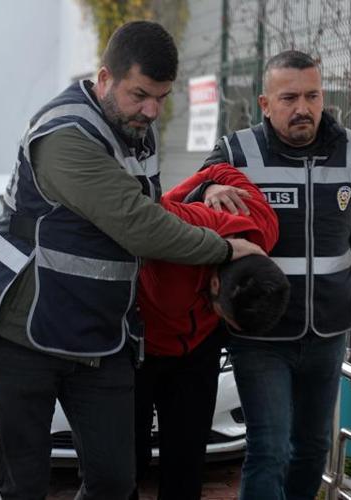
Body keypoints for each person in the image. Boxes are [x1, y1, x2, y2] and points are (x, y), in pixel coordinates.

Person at [0, 21, 264, 500]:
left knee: (115, 481)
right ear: (104, 79)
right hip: (25, 332)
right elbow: (137, 224)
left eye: (161, 97)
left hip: (100, 334)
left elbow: (153, 206)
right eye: (140, 94)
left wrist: (205, 189)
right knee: (24, 486)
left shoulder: (136, 128)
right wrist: (225, 247)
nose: (151, 110)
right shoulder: (65, 134)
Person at [200, 50, 351, 499]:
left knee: (313, 447)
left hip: (328, 331)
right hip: (260, 335)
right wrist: (210, 185)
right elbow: (193, 199)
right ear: (265, 104)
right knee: (270, 448)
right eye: (289, 98)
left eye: (312, 96)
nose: (303, 108)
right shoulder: (237, 151)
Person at [132, 162, 290, 500]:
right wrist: (202, 190)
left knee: (187, 461)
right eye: (224, 316)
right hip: (140, 350)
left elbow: (222, 169)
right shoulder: (180, 232)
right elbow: (148, 209)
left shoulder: (263, 224)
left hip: (197, 354)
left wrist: (213, 184)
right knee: (129, 460)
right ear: (214, 284)